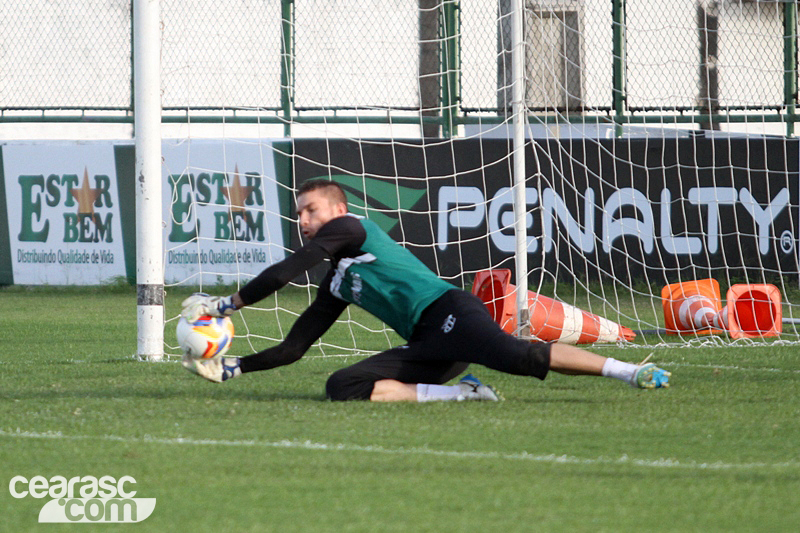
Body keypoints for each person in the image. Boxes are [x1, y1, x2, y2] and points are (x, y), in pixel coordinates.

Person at [181, 179, 671, 402]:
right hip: (427, 343)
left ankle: (630, 372)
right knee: (341, 387)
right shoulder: (337, 281)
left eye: (311, 210)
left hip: (450, 312)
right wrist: (231, 368)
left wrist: (227, 305)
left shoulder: (351, 228)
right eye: (299, 214)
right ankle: (461, 394)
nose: (303, 220)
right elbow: (295, 347)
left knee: (521, 357)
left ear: (336, 209)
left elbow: (291, 267)